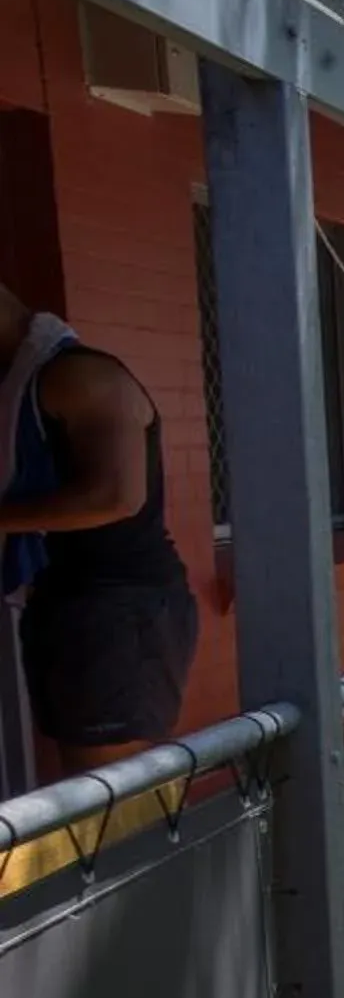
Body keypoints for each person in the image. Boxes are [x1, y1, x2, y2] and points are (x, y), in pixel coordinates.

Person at [0, 280, 196, 774]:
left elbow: (117, 496)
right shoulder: (19, 388)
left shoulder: (80, 376)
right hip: (65, 603)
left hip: (119, 608)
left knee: (118, 800)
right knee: (78, 791)